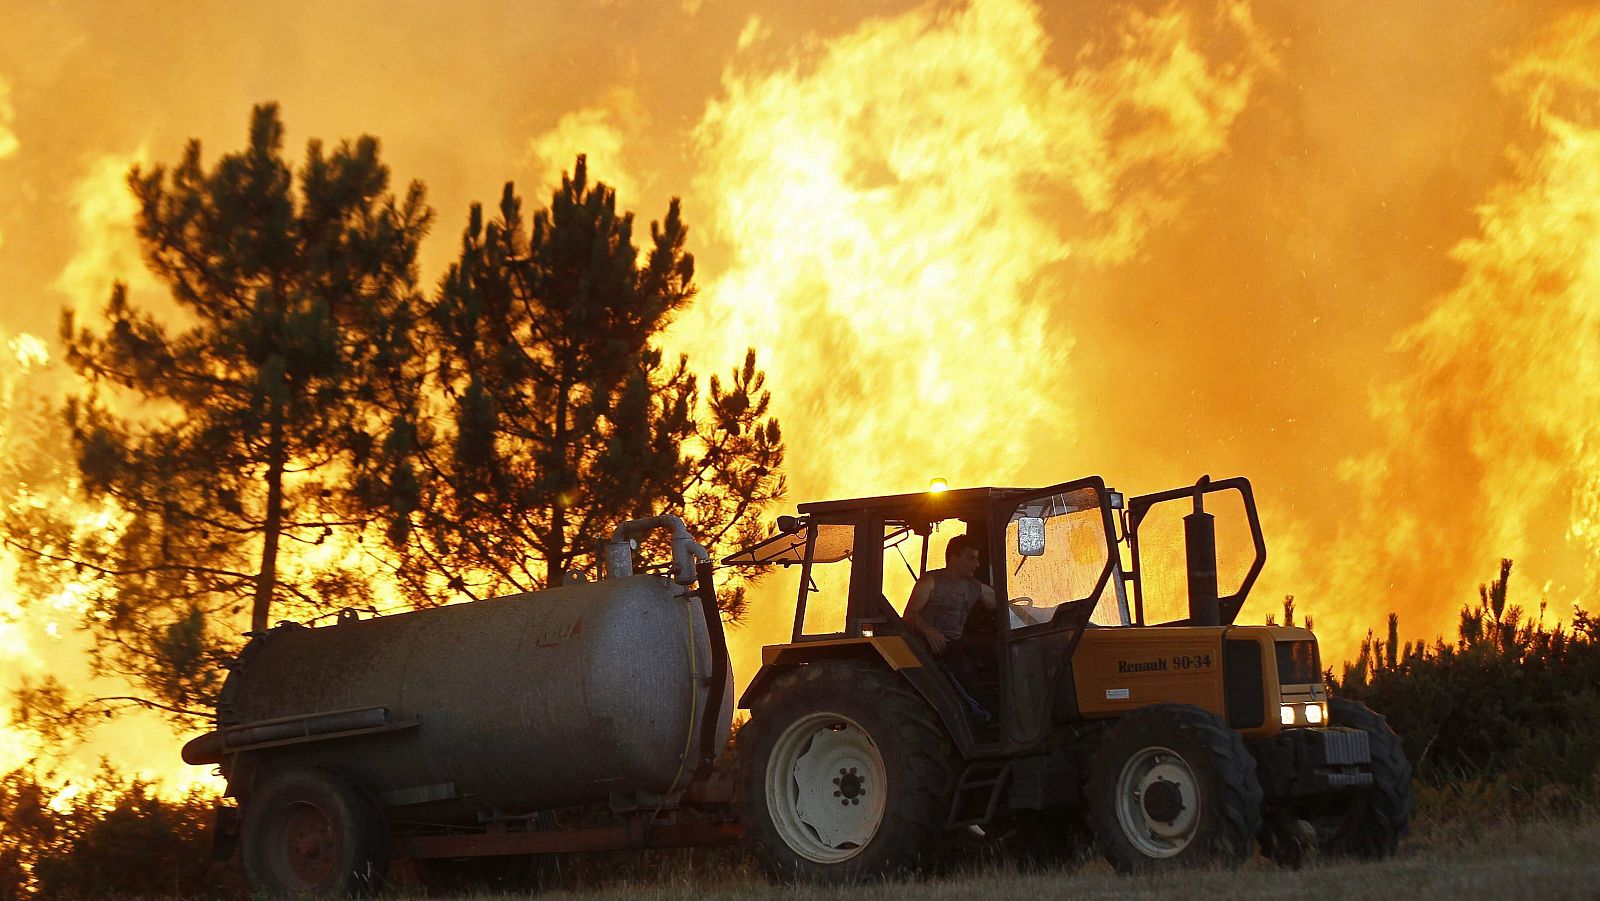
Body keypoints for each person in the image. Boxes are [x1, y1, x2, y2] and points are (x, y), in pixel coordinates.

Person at [904, 534, 997, 719]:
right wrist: (929, 631)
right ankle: (984, 713)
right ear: (954, 558)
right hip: (930, 645)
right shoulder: (930, 582)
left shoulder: (976, 587)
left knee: (998, 649)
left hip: (957, 640)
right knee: (963, 666)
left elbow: (1002, 605)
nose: (976, 564)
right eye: (971, 558)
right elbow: (910, 614)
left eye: (977, 559)